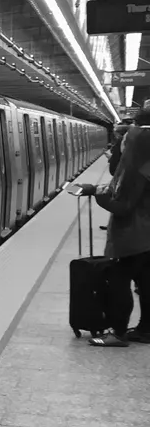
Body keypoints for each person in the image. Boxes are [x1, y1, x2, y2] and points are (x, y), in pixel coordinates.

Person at [77, 102, 150, 346]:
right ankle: (146, 330)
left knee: (119, 281)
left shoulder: (138, 165)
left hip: (134, 234)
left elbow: (123, 204)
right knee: (147, 283)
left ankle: (117, 333)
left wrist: (98, 194)